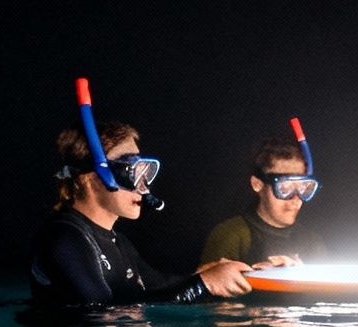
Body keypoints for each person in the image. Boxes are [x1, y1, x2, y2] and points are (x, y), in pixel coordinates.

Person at [29, 119, 255, 308]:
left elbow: (159, 286)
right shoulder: (64, 238)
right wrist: (204, 284)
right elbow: (99, 313)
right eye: (131, 171)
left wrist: (220, 273)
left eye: (144, 171)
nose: (143, 186)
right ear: (89, 179)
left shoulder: (119, 243)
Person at [201, 131, 330, 266]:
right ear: (257, 184)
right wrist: (262, 274)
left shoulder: (312, 242)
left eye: (304, 187)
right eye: (285, 188)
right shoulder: (231, 235)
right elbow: (207, 282)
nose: (296, 200)